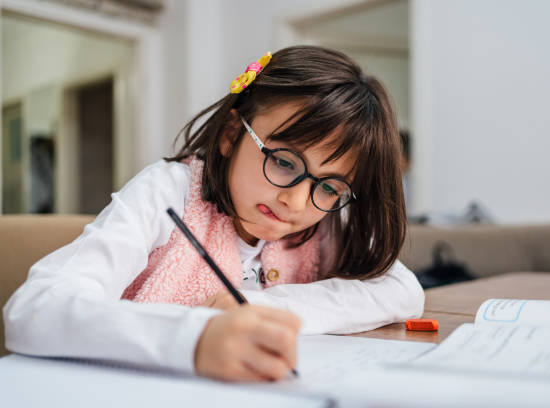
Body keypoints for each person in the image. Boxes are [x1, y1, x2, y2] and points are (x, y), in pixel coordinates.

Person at [3, 46, 424, 382]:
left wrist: (264, 308)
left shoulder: (322, 218)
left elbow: (403, 290)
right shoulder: (167, 192)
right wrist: (196, 336)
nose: (295, 202)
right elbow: (34, 310)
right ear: (229, 134)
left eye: (330, 185)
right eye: (283, 161)